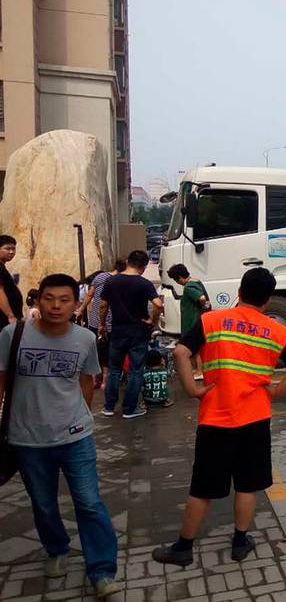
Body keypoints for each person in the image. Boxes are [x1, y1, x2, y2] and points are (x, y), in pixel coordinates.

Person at [151, 268, 286, 566]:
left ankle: (183, 548)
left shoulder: (212, 321)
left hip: (216, 418)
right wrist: (275, 391)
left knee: (203, 487)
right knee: (248, 484)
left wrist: (192, 388)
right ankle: (239, 542)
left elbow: (180, 352)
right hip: (256, 419)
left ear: (239, 291)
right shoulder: (276, 330)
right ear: (268, 300)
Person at [0, 274, 121, 597]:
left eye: (64, 299)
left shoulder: (83, 338)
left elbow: (86, 381)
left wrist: (80, 414)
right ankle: (56, 549)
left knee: (90, 503)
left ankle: (102, 570)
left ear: (75, 303)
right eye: (49, 298)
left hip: (75, 436)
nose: (56, 306)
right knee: (43, 503)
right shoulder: (13, 334)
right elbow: (1, 380)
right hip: (26, 439)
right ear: (38, 299)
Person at [99, 251, 163, 419]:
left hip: (117, 331)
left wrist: (101, 325)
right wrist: (152, 321)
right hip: (138, 332)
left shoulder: (111, 281)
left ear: (128, 262)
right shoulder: (144, 284)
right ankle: (129, 409)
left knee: (114, 370)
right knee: (136, 371)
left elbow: (103, 306)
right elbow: (158, 304)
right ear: (144, 266)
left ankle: (109, 407)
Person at [77, 261, 125, 390]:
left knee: (94, 351)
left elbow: (90, 294)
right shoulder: (120, 281)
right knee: (109, 352)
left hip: (94, 321)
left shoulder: (100, 277)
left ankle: (93, 380)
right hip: (111, 323)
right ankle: (105, 381)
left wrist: (81, 309)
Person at [167, 264, 211, 380]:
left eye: (176, 280)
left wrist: (201, 304)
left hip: (193, 321)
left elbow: (201, 298)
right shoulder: (197, 281)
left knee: (195, 349)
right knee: (197, 348)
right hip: (199, 319)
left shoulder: (189, 286)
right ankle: (197, 369)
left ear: (180, 277)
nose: (177, 282)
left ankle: (199, 371)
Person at [0, 235, 23, 329]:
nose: (11, 252)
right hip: (3, 320)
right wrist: (11, 316)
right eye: (7, 248)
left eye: (13, 249)